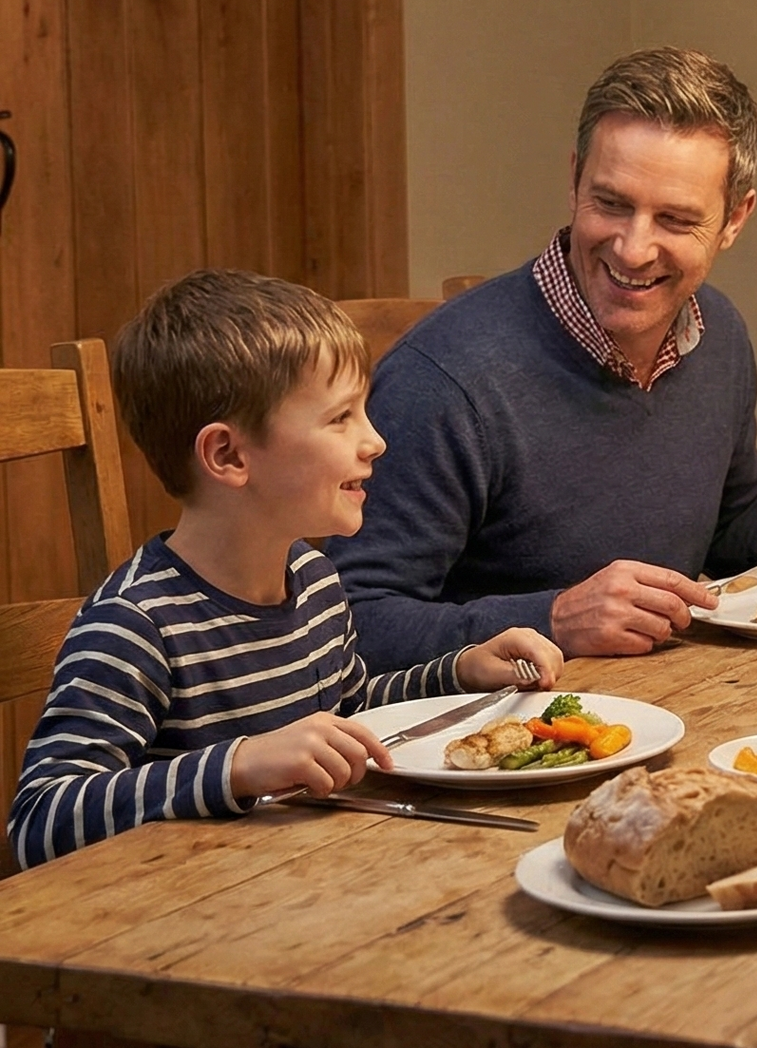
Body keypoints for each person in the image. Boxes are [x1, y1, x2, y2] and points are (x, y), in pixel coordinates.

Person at [331, 47, 757, 669]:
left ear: (735, 219)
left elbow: (731, 517)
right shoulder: (445, 379)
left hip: (669, 700)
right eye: (611, 204)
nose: (634, 248)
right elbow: (351, 621)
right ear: (574, 179)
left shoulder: (717, 331)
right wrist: (553, 618)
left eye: (674, 218)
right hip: (485, 742)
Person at [6, 270, 562, 871]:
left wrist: (457, 672)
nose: (374, 441)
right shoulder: (135, 626)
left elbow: (348, 711)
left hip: (295, 879)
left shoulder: (314, 580)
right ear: (229, 455)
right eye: (340, 418)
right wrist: (239, 764)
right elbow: (41, 820)